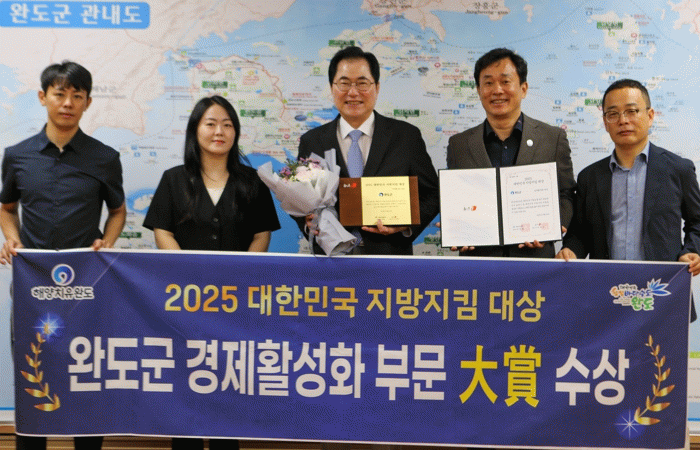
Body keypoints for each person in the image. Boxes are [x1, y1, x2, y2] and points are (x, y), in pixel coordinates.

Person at [0, 61, 126, 450]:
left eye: (77, 95)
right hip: (32, 286)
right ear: (43, 97)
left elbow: (117, 211)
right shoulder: (17, 155)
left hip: (87, 286)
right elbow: (7, 208)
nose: (67, 103)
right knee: (32, 373)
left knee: (87, 375)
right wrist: (12, 240)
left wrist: (107, 242)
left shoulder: (105, 157)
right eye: (59, 94)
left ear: (88, 102)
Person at [143, 95, 280, 449]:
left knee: (226, 390)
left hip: (236, 302)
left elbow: (261, 234)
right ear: (195, 130)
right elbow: (163, 231)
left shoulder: (252, 182)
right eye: (211, 123)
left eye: (227, 124)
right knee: (185, 387)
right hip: (184, 301)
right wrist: (186, 272)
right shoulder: (173, 179)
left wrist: (240, 273)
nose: (219, 131)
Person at [555, 79, 700, 319]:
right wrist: (570, 250)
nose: (623, 120)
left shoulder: (678, 169)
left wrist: (693, 250)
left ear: (650, 116)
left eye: (632, 111)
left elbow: (697, 222)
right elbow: (580, 233)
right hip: (608, 296)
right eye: (613, 114)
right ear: (605, 122)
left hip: (663, 294)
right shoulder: (590, 177)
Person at [297, 46, 440, 255]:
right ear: (331, 87)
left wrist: (405, 226)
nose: (353, 92)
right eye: (344, 83)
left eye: (362, 83)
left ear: (377, 87)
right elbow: (300, 197)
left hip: (389, 255)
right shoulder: (312, 141)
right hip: (330, 257)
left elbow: (432, 193)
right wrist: (307, 221)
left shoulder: (406, 136)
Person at [446, 48, 576, 257]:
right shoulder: (459, 144)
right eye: (488, 83)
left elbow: (566, 194)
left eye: (505, 81)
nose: (497, 90)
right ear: (479, 90)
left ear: (523, 88)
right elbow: (457, 199)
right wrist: (457, 227)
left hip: (535, 261)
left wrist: (550, 227)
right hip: (480, 263)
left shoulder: (552, 138)